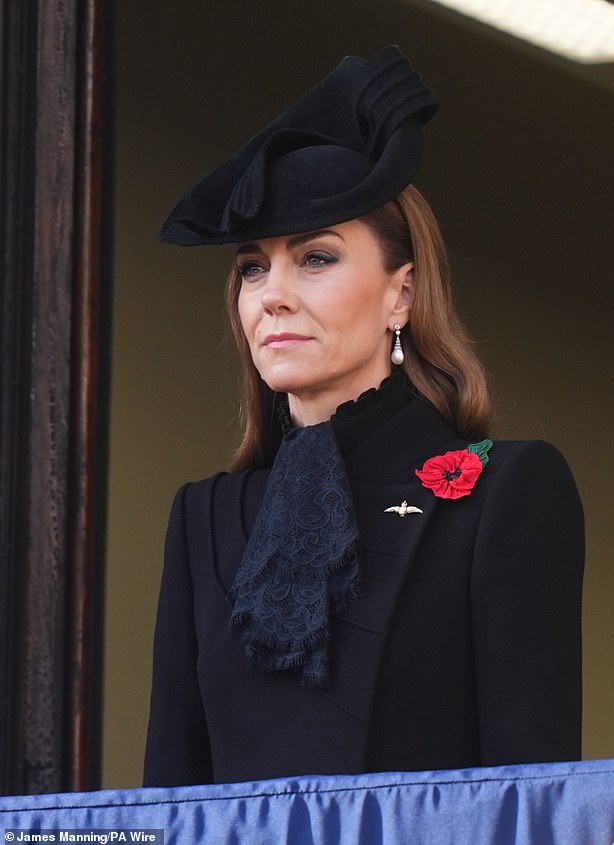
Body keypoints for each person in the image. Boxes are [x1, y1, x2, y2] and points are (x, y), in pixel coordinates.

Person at [143, 46, 584, 788]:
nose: (272, 294)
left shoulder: (505, 491)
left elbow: (532, 801)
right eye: (253, 267)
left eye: (315, 257)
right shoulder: (203, 516)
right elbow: (172, 797)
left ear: (401, 294)